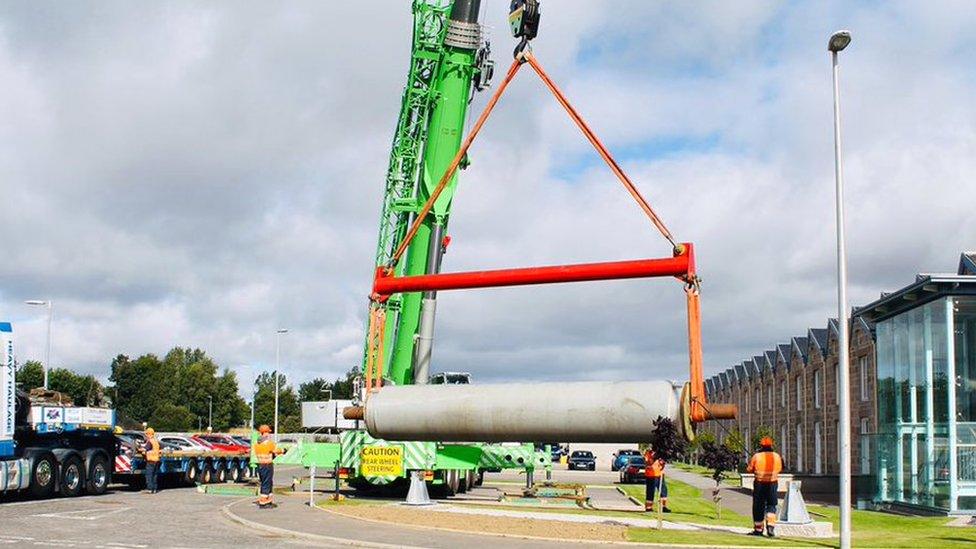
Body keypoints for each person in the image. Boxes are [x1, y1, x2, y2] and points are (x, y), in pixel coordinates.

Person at [746, 436, 783, 537]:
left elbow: (749, 469)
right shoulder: (777, 456)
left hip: (759, 484)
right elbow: (780, 468)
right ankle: (770, 528)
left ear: (761, 445)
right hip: (772, 484)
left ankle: (758, 530)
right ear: (771, 445)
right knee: (771, 505)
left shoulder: (756, 456)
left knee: (758, 506)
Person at [254, 425, 282, 508]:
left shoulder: (257, 445)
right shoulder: (269, 443)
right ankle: (263, 503)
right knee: (266, 483)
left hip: (260, 466)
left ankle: (268, 501)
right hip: (267, 466)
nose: (269, 434)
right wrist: (283, 450)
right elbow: (276, 451)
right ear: (264, 433)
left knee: (267, 483)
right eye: (268, 432)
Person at [643, 448, 670, 513]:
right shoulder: (648, 453)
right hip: (651, 475)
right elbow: (648, 462)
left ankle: (663, 507)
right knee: (650, 491)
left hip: (659, 474)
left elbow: (662, 463)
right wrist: (653, 457)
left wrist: (662, 462)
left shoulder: (660, 453)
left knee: (663, 490)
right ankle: (649, 507)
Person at [143, 427, 161, 494]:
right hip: (156, 460)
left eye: (146, 434)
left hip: (150, 460)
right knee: (154, 475)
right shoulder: (155, 441)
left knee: (149, 475)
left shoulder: (150, 441)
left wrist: (139, 449)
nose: (146, 436)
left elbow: (146, 449)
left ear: (148, 434)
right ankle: (154, 489)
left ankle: (150, 489)